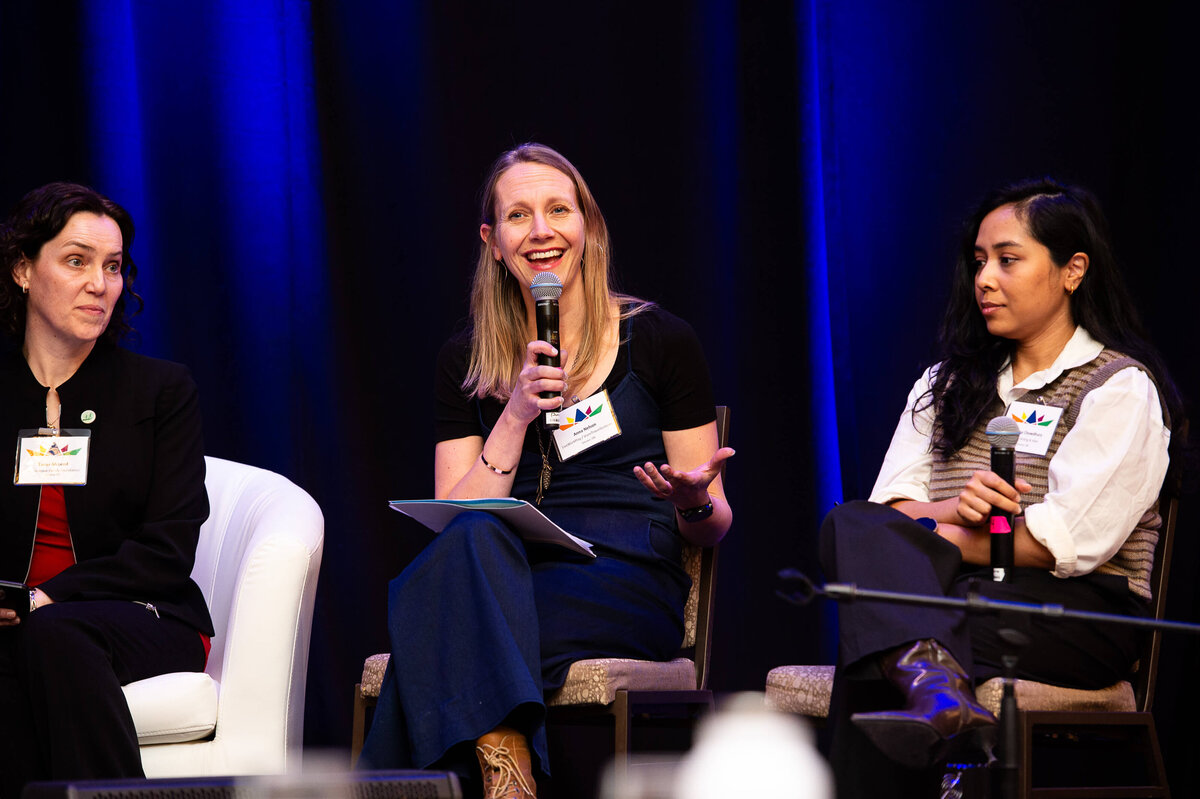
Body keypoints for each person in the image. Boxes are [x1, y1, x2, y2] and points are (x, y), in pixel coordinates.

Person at [358, 143, 734, 798]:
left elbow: (713, 527)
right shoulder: (465, 362)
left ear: (587, 226)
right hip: (509, 570)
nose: (541, 230)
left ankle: (488, 765)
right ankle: (508, 769)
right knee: (468, 552)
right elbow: (454, 519)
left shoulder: (660, 339)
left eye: (559, 209)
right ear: (492, 241)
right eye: (518, 215)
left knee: (433, 624)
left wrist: (693, 500)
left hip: (625, 573)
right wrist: (513, 413)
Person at [818, 177, 1183, 797]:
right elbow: (888, 511)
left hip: (1078, 611)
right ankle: (941, 697)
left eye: (1008, 260)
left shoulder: (1118, 387)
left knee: (879, 634)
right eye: (979, 262)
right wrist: (954, 512)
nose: (984, 278)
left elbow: (1063, 544)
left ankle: (935, 696)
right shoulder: (946, 382)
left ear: (1073, 270)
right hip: (956, 591)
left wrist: (941, 538)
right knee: (850, 522)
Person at [0, 182, 214, 796]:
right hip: (20, 621)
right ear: (23, 269)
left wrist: (44, 599)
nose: (101, 283)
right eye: (77, 261)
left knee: (51, 636)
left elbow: (167, 550)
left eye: (113, 266)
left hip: (143, 616)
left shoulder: (160, 392)